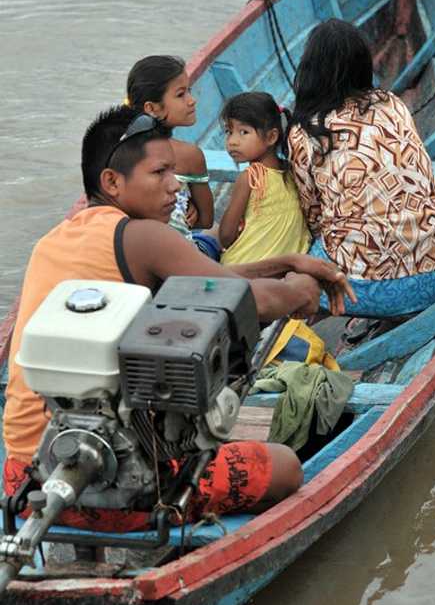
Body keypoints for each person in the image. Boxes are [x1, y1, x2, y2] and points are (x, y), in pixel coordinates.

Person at [3, 105, 354, 530]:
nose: (175, 187)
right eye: (160, 174)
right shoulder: (143, 236)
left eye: (175, 172)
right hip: (120, 490)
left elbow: (210, 278)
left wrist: (287, 261)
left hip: (25, 480)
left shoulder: (58, 240)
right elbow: (245, 300)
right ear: (112, 182)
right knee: (285, 467)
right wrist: (299, 290)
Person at [287, 18, 435, 318]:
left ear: (310, 71)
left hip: (364, 289)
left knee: (289, 273)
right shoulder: (392, 104)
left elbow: (312, 217)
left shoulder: (304, 133)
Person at [126, 54, 219, 259]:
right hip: (184, 258)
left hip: (137, 256)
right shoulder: (189, 156)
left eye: (189, 91)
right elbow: (205, 220)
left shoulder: (120, 149)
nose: (191, 100)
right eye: (180, 94)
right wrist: (186, 204)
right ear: (151, 108)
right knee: (220, 232)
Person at [219, 92, 310, 265]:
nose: (232, 141)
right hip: (286, 269)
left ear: (271, 137)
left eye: (243, 132)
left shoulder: (250, 177)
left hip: (245, 266)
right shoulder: (292, 170)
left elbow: (226, 236)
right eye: (229, 132)